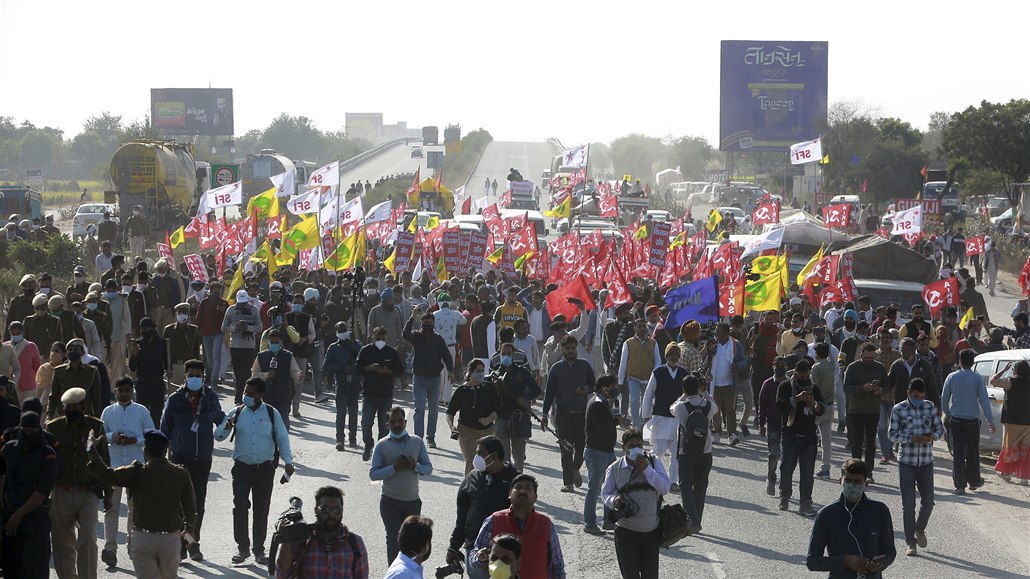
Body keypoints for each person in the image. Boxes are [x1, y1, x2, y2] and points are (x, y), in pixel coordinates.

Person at [88, 428, 196, 578]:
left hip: (142, 538)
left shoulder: (136, 472)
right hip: (169, 540)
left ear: (146, 451)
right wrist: (189, 530)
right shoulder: (181, 473)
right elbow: (190, 507)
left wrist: (91, 449)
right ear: (166, 450)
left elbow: (107, 474)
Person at [214, 377, 295, 565]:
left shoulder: (271, 413)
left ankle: (259, 550)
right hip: (241, 469)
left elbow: (282, 439)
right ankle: (242, 549)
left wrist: (288, 462)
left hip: (264, 470)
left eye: (250, 393)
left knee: (261, 511)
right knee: (240, 507)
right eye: (245, 392)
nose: (246, 396)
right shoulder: (237, 412)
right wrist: (226, 427)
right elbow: (218, 436)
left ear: (260, 394)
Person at [161, 358, 224, 561]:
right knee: (179, 504)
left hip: (203, 458)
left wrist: (231, 421)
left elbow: (220, 420)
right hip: (179, 457)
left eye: (198, 375)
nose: (195, 378)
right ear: (185, 376)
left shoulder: (211, 397)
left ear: (203, 377)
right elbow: (165, 430)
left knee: (198, 503)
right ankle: (182, 543)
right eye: (191, 375)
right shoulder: (175, 399)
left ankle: (193, 540)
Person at [47, 387, 110, 579]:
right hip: (62, 491)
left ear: (83, 407)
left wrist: (109, 495)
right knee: (62, 543)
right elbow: (47, 461)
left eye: (75, 407)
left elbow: (104, 462)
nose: (71, 410)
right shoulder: (53, 428)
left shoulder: (96, 426)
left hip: (87, 492)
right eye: (68, 407)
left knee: (88, 539)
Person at [98, 377, 155, 568]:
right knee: (111, 508)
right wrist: (112, 436)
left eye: (127, 390)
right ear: (115, 391)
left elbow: (152, 436)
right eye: (120, 390)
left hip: (135, 467)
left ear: (132, 391)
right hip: (113, 467)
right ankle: (110, 548)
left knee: (134, 509)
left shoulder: (141, 411)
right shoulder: (108, 411)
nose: (123, 394)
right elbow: (99, 436)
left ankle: (132, 545)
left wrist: (135, 441)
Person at [806, 458, 896, 578]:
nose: (852, 485)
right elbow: (812, 562)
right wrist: (845, 561)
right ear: (840, 481)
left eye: (857, 482)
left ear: (866, 484)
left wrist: (880, 563)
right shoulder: (826, 514)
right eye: (848, 480)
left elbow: (890, 552)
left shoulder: (879, 511)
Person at [601, 428, 671, 579]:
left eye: (639, 445)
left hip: (651, 533)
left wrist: (646, 469)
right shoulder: (614, 468)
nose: (636, 449)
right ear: (623, 447)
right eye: (631, 446)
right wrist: (614, 501)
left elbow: (665, 488)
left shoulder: (653, 462)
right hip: (626, 533)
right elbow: (605, 494)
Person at [887, 377, 945, 556]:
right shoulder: (898, 409)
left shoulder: (930, 407)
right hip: (907, 462)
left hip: (926, 461)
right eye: (916, 396)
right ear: (909, 394)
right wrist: (911, 438)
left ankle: (919, 529)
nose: (919, 399)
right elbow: (892, 435)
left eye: (922, 396)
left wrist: (932, 436)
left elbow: (941, 429)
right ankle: (910, 543)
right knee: (908, 505)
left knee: (928, 502)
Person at [446, 436, 519, 579]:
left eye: (480, 453)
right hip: (476, 550)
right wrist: (453, 547)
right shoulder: (471, 478)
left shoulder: (514, 481)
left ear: (494, 456)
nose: (476, 457)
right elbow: (462, 517)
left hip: (505, 553)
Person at [470, 474, 565, 579]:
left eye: (528, 488)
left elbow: (557, 565)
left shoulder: (546, 524)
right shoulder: (494, 520)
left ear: (535, 497)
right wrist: (479, 557)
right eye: (518, 487)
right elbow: (475, 559)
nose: (522, 491)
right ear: (510, 494)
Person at [370, 406, 433, 564]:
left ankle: (410, 572)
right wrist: (394, 468)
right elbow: (373, 474)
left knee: (412, 542)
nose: (397, 424)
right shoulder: (381, 445)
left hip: (412, 502)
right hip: (390, 501)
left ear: (405, 422)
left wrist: (415, 466)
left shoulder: (417, 442)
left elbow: (428, 469)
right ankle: (395, 572)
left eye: (400, 421)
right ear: (387, 425)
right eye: (393, 422)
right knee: (393, 540)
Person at [0, 410, 58, 578]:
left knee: (34, 567)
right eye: (25, 430)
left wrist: (19, 515)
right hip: (10, 515)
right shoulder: (9, 449)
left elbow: (42, 491)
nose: (28, 434)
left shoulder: (47, 454)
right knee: (11, 566)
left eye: (33, 431)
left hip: (35, 518)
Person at [274, 486, 369, 579]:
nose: (331, 514)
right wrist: (287, 538)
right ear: (316, 511)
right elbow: (282, 575)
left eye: (337, 510)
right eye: (325, 510)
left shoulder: (355, 543)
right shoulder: (303, 540)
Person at [542, 335, 594, 492]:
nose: (571, 351)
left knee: (582, 447)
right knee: (566, 449)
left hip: (581, 414)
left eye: (573, 348)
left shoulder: (584, 365)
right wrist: (544, 415)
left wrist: (587, 390)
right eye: (567, 348)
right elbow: (549, 393)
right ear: (562, 350)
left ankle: (575, 469)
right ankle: (568, 483)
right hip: (563, 414)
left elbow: (594, 384)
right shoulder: (556, 369)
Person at [941, 348, 996, 493]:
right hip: (972, 421)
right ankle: (974, 481)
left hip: (956, 420)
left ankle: (960, 485)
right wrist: (990, 421)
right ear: (972, 363)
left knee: (958, 453)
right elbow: (984, 401)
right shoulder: (977, 378)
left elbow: (944, 400)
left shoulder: (951, 377)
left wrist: (948, 414)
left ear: (959, 361)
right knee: (972, 452)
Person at [777, 358, 825, 516]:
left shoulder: (814, 388)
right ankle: (784, 496)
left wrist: (813, 403)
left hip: (809, 436)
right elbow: (780, 405)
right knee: (786, 468)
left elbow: (821, 408)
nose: (805, 380)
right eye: (801, 377)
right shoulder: (785, 386)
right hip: (790, 434)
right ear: (795, 374)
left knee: (807, 472)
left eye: (807, 377)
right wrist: (797, 399)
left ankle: (805, 502)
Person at [641, 343, 689, 492]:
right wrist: (646, 415)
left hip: (677, 420)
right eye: (671, 354)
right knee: (658, 450)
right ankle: (650, 476)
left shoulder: (684, 374)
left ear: (679, 357)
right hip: (661, 417)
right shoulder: (658, 372)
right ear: (666, 356)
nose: (674, 357)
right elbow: (649, 394)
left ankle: (673, 481)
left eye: (676, 354)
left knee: (676, 453)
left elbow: (688, 396)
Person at [404, 311, 454, 448]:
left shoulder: (439, 339)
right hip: (419, 379)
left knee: (434, 410)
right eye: (425, 323)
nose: (428, 325)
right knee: (419, 409)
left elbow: (446, 355)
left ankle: (430, 437)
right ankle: (418, 438)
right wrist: (412, 317)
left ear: (434, 324)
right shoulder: (416, 336)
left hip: (434, 379)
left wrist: (451, 370)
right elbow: (405, 335)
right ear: (422, 323)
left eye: (430, 323)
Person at [357, 326, 404, 461]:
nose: (380, 341)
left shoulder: (391, 352)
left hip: (385, 394)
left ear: (386, 338)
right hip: (369, 394)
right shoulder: (366, 351)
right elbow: (357, 368)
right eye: (378, 338)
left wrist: (388, 371)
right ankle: (368, 444)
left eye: (383, 339)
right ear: (373, 337)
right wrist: (369, 368)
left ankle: (380, 450)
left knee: (384, 426)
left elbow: (399, 371)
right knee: (366, 423)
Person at [492, 342, 540, 472]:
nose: (506, 356)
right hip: (501, 417)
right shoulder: (495, 374)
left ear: (513, 355)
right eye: (503, 354)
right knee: (503, 456)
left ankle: (518, 482)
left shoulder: (522, 372)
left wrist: (524, 399)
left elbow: (536, 391)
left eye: (509, 354)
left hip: (519, 417)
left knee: (518, 457)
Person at [843, 343, 888, 480]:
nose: (869, 360)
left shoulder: (879, 367)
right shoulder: (852, 367)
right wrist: (862, 388)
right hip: (855, 410)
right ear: (861, 354)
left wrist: (881, 390)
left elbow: (886, 384)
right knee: (856, 442)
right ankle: (855, 471)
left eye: (871, 358)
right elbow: (846, 387)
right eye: (866, 357)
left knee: (870, 444)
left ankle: (868, 472)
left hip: (872, 410)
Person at [447, 360, 501, 474]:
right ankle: (469, 488)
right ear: (470, 372)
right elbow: (450, 412)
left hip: (487, 432)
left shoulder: (489, 388)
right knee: (472, 462)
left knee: (488, 463)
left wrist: (488, 419)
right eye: (478, 371)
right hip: (467, 431)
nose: (481, 373)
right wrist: (452, 426)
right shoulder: (462, 391)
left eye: (482, 371)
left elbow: (497, 410)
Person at [582, 375, 619, 535]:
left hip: (607, 451)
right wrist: (615, 421)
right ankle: (590, 523)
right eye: (612, 386)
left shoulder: (602, 402)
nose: (614, 390)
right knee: (594, 489)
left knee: (609, 487)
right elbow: (602, 428)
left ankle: (608, 520)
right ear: (604, 387)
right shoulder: (597, 404)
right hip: (597, 452)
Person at [251, 328, 302, 431]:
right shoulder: (261, 356)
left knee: (283, 424)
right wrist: (266, 375)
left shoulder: (288, 356)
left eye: (276, 342)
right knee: (266, 426)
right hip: (265, 396)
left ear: (281, 341)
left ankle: (282, 446)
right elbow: (254, 375)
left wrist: (299, 376)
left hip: (283, 396)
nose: (274, 344)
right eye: (272, 341)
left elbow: (295, 371)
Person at [323, 321, 362, 450]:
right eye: (340, 331)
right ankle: (340, 439)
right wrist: (342, 368)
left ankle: (353, 438)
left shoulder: (355, 345)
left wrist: (354, 344)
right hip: (341, 383)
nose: (342, 333)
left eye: (344, 330)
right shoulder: (333, 348)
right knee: (340, 413)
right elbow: (326, 365)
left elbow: (362, 360)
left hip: (354, 383)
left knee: (353, 412)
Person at [989, 361, 1030, 483]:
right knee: (1026, 448)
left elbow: (993, 381)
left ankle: (1005, 472)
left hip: (1011, 421)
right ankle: (1024, 477)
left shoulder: (1010, 381)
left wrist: (1003, 370)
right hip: (1027, 422)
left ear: (1015, 370)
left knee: (1009, 446)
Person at [707, 322, 746, 446]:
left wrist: (737, 366)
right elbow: (706, 360)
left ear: (726, 333)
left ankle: (732, 434)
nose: (716, 335)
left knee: (730, 410)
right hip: (715, 383)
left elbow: (743, 361)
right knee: (716, 409)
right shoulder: (713, 345)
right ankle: (717, 433)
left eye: (719, 332)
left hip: (729, 383)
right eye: (716, 333)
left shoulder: (735, 345)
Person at [617, 318, 660, 429]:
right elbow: (623, 363)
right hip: (633, 378)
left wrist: (657, 378)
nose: (641, 328)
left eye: (643, 326)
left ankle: (643, 427)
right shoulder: (628, 343)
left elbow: (658, 362)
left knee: (646, 404)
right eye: (639, 326)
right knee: (635, 401)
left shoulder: (653, 343)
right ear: (634, 328)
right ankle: (636, 427)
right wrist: (620, 381)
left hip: (649, 378)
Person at [222, 289, 264, 404]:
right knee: (238, 373)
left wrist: (247, 328)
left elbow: (259, 327)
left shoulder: (254, 310)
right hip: (235, 346)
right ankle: (242, 393)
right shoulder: (230, 310)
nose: (242, 305)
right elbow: (224, 327)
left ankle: (239, 396)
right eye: (240, 303)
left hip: (249, 346)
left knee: (245, 372)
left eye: (244, 302)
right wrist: (236, 327)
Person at [48, 338, 103, 420]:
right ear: (66, 353)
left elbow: (96, 399)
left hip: (84, 418)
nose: (72, 352)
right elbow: (53, 396)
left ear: (82, 352)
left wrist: (97, 420)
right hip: (64, 416)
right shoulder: (59, 371)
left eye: (76, 349)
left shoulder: (92, 372)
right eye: (70, 350)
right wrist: (49, 415)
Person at [810, 343, 837, 479]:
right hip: (831, 406)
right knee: (826, 440)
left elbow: (812, 386)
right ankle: (825, 468)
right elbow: (832, 355)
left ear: (817, 354)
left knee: (809, 436)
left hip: (818, 406)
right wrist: (827, 337)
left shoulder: (816, 367)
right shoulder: (831, 364)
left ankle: (808, 464)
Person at [196, 281, 229, 388]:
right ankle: (210, 376)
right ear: (210, 291)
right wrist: (199, 330)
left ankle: (214, 381)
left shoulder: (224, 303)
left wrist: (223, 311)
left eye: (218, 291)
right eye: (214, 291)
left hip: (218, 333)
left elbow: (228, 318)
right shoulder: (204, 302)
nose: (216, 293)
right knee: (209, 357)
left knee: (216, 356)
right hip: (205, 333)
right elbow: (199, 317)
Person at [163, 302, 200, 391]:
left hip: (188, 367)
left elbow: (196, 351)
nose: (182, 315)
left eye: (185, 312)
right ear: (176, 314)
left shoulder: (194, 330)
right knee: (173, 392)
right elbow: (164, 351)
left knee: (189, 393)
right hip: (174, 366)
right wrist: (167, 368)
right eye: (180, 312)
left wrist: (197, 369)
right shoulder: (169, 330)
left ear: (188, 315)